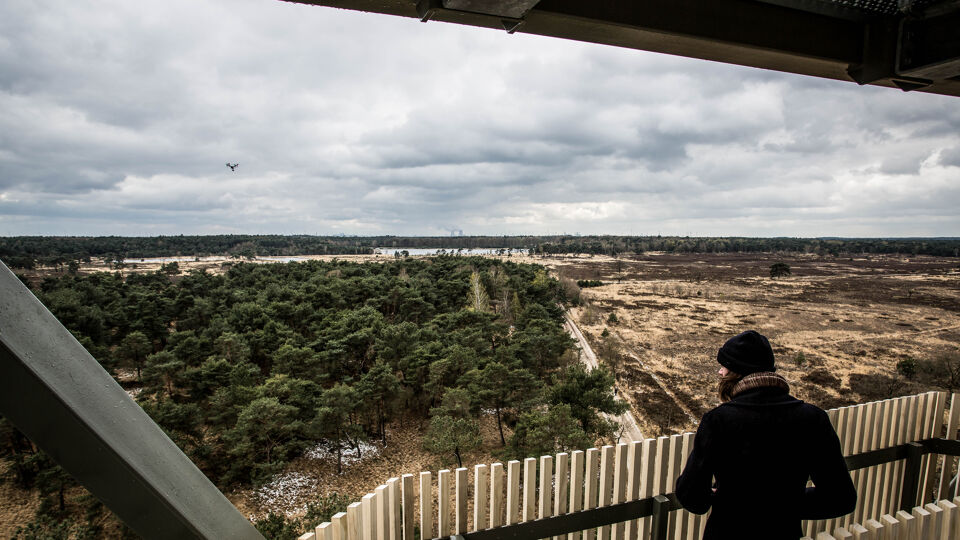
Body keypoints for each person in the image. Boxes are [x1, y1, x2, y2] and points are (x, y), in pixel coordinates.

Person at [675, 330, 857, 539]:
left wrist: (724, 499)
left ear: (737, 371)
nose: (720, 372)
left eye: (724, 366)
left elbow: (692, 498)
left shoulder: (719, 421)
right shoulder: (813, 419)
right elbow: (841, 498)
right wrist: (784, 504)